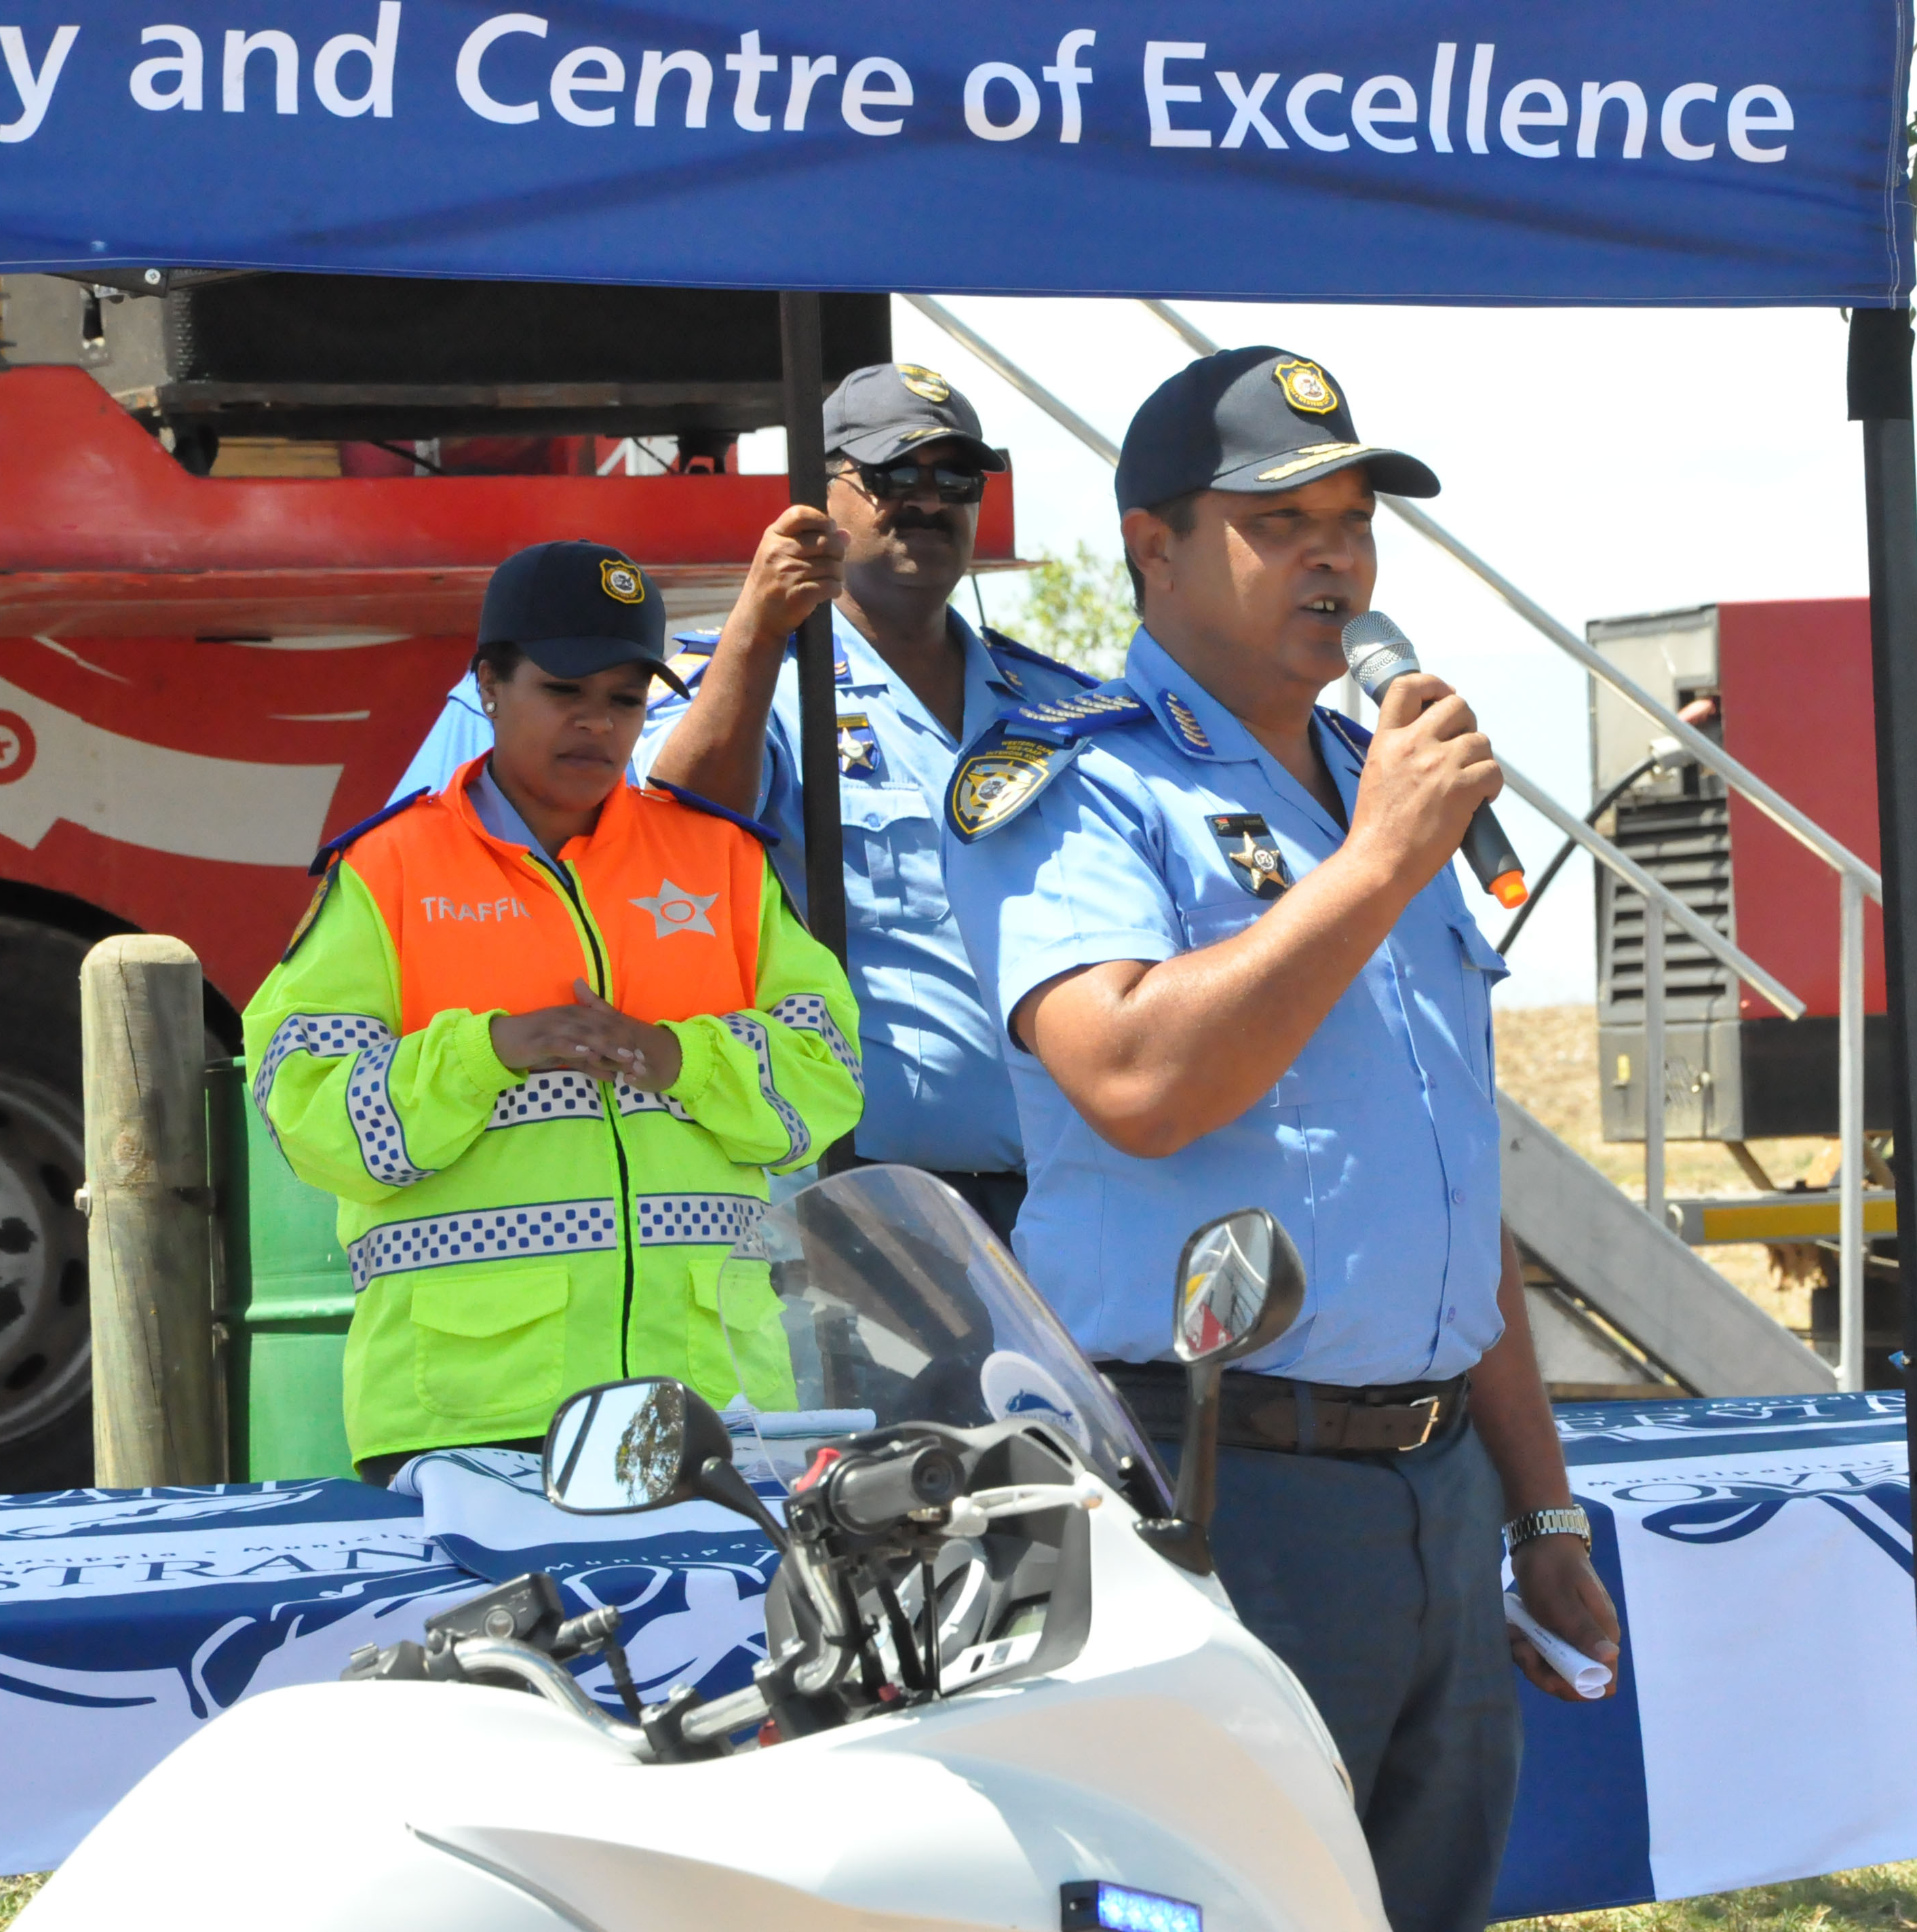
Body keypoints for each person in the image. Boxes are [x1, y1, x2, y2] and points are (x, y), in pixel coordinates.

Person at [941, 348, 1619, 1932]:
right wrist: (1376, 860)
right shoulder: (1074, 780)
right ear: (1152, 545)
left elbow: (1453, 1190)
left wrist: (1539, 1508)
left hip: (1436, 1485)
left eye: (1349, 520)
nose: (1334, 555)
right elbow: (1128, 1079)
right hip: (1218, 1483)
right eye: (1276, 521)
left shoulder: (1376, 790)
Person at [246, 541, 863, 1484]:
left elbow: (828, 1078)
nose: (597, 724)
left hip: (704, 1401)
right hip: (468, 1412)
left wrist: (677, 1059)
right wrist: (486, 1052)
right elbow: (306, 1113)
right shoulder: (388, 871)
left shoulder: (720, 861)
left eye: (624, 699)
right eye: (565, 690)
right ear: (489, 686)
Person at [627, 362, 1095, 1240]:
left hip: (1068, 1200)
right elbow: (677, 829)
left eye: (956, 476)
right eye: (891, 475)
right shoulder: (758, 679)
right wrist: (758, 633)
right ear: (818, 496)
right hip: (864, 1207)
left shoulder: (1057, 706)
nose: (927, 499)